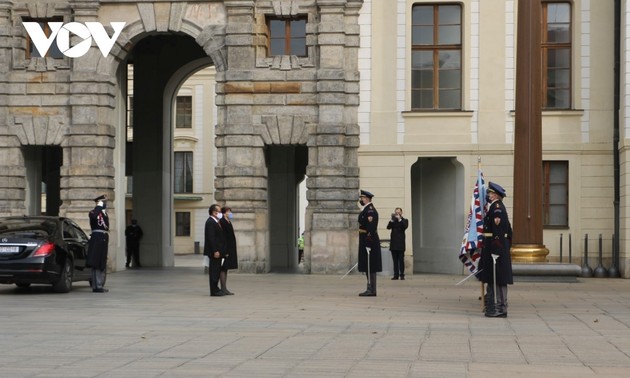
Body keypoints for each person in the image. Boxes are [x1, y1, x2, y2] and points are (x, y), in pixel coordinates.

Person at [479, 182, 513, 318]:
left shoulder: (497, 208)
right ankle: (496, 305)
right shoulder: (495, 207)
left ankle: (499, 307)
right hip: (495, 247)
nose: (487, 196)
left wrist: (497, 249)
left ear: (494, 195)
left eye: (489, 193)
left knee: (498, 278)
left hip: (496, 249)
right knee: (495, 278)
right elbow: (509, 231)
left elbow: (498, 231)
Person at [357, 189, 382, 296]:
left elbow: (371, 228)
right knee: (367, 266)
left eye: (362, 198)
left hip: (369, 241)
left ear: (366, 199)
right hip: (365, 240)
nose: (361, 200)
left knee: (370, 266)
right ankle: (370, 288)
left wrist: (368, 243)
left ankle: (371, 289)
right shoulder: (366, 209)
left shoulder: (370, 211)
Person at [87, 194, 109, 293]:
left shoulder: (104, 214)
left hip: (103, 238)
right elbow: (94, 216)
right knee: (95, 262)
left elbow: (107, 227)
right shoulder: (93, 212)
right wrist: (98, 207)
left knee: (101, 262)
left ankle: (99, 285)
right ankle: (96, 286)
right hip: (96, 238)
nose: (105, 204)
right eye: (103, 202)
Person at [204, 204, 226, 296]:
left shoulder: (215, 221)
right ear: (214, 212)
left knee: (216, 270)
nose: (220, 213)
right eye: (219, 211)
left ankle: (216, 288)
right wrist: (215, 251)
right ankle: (214, 291)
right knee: (214, 271)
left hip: (218, 251)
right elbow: (211, 238)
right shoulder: (210, 222)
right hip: (214, 251)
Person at [219, 206, 238, 295]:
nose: (230, 213)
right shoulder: (222, 222)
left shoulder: (228, 221)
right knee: (223, 268)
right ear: (224, 212)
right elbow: (223, 237)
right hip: (225, 249)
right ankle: (223, 288)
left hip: (230, 248)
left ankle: (225, 288)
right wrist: (225, 250)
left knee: (226, 268)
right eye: (228, 211)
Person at [387, 207, 408, 280]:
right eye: (396, 213)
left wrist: (399, 219)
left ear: (401, 213)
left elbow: (405, 226)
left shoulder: (405, 220)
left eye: (399, 212)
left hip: (401, 244)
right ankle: (396, 275)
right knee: (395, 261)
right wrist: (391, 220)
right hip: (394, 243)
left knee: (401, 260)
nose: (397, 214)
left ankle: (402, 275)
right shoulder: (393, 221)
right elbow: (388, 227)